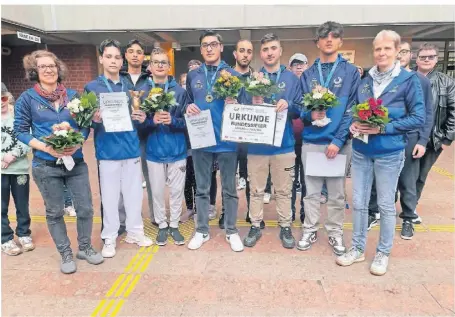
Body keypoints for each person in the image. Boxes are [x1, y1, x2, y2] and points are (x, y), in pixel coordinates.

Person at [336, 30, 425, 276]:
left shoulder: (408, 80)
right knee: (359, 203)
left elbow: (418, 117)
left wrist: (384, 127)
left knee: (386, 205)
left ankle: (383, 252)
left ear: (397, 51)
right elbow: (355, 108)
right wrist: (354, 124)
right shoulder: (365, 80)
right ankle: (357, 248)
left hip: (390, 153)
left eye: (387, 48)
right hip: (362, 150)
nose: (382, 53)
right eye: (378, 49)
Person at [14, 50, 104, 273]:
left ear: (58, 68)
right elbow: (21, 131)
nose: (48, 69)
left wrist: (78, 140)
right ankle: (65, 253)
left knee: (85, 208)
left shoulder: (73, 96)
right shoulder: (27, 99)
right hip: (45, 165)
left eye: (52, 65)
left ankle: (84, 247)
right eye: (43, 66)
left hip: (76, 163)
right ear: (34, 71)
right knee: (54, 212)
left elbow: (84, 125)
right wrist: (45, 147)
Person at [85, 39, 153, 258]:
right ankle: (110, 237)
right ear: (101, 59)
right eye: (109, 56)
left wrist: (142, 117)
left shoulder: (130, 88)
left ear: (121, 60)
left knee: (134, 195)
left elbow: (139, 117)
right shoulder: (92, 87)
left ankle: (135, 232)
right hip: (107, 151)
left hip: (131, 148)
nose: (113, 61)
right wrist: (94, 119)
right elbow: (87, 120)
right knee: (111, 197)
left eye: (116, 57)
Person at [298, 21, 359, 255]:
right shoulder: (309, 74)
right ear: (318, 42)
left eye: (334, 36)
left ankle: (334, 233)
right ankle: (310, 229)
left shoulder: (350, 72)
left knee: (336, 194)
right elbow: (299, 109)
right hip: (312, 142)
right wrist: (309, 114)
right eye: (324, 36)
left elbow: (351, 110)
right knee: (311, 193)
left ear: (340, 41)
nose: (329, 40)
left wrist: (338, 141)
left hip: (338, 144)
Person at [367, 41, 434, 240]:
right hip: (383, 137)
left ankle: (407, 217)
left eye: (404, 51)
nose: (400, 54)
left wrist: (422, 140)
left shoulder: (418, 80)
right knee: (377, 180)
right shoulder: (379, 78)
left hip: (410, 138)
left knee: (407, 180)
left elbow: (427, 113)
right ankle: (373, 211)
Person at [185, 30, 244, 252]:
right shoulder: (194, 75)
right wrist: (187, 107)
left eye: (213, 44)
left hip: (227, 139)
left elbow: (245, 104)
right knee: (202, 188)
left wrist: (236, 101)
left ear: (221, 47)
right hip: (202, 139)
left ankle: (231, 230)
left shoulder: (233, 74)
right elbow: (187, 102)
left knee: (229, 189)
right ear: (201, 50)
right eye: (205, 45)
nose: (209, 48)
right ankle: (201, 230)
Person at [243, 33, 302, 249]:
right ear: (261, 53)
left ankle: (285, 226)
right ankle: (255, 224)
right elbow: (240, 110)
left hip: (283, 145)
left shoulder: (292, 79)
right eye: (266, 49)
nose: (269, 53)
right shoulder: (252, 79)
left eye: (273, 48)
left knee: (284, 190)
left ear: (280, 51)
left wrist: (289, 105)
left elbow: (300, 111)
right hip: (257, 145)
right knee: (256, 189)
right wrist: (252, 101)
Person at [139, 48, 188, 246]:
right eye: (156, 62)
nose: (160, 65)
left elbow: (189, 123)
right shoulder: (142, 92)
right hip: (154, 151)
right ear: (150, 67)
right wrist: (152, 121)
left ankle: (174, 224)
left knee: (177, 191)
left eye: (163, 62)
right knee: (157, 192)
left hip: (177, 150)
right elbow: (138, 125)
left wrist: (173, 121)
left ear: (169, 67)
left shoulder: (180, 92)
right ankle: (161, 225)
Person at [226, 39, 266, 230]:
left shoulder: (258, 78)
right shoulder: (225, 77)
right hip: (231, 138)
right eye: (241, 50)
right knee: (228, 178)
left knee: (252, 179)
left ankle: (253, 213)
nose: (245, 55)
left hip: (251, 138)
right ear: (235, 54)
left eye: (249, 51)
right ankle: (227, 212)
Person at [415, 42, 455, 215]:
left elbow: (453, 110)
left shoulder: (446, 82)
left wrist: (447, 138)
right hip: (407, 137)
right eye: (422, 56)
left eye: (430, 56)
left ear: (436, 59)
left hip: (433, 139)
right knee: (400, 175)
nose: (426, 60)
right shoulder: (407, 78)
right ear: (416, 59)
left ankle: (410, 209)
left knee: (420, 176)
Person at [121, 39, 155, 229]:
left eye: (139, 52)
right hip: (123, 137)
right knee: (125, 181)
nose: (135, 55)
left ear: (144, 57)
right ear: (125, 55)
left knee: (149, 179)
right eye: (131, 51)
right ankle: (126, 219)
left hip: (145, 136)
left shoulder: (149, 81)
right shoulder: (118, 80)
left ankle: (154, 215)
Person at [1, 91, 34, 256]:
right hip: (1, 169)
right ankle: (5, 238)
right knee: (1, 206)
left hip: (19, 168)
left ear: (8, 97)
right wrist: (3, 158)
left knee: (22, 203)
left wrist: (13, 155)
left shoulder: (18, 115)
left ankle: (23, 233)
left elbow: (28, 137)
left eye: (3, 98)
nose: (1, 102)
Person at [288, 53, 307, 224]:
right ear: (290, 68)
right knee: (291, 180)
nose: (298, 67)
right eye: (295, 65)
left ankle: (305, 213)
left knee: (307, 180)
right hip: (290, 140)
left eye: (301, 64)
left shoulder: (312, 86)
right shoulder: (287, 85)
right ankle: (290, 212)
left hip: (308, 139)